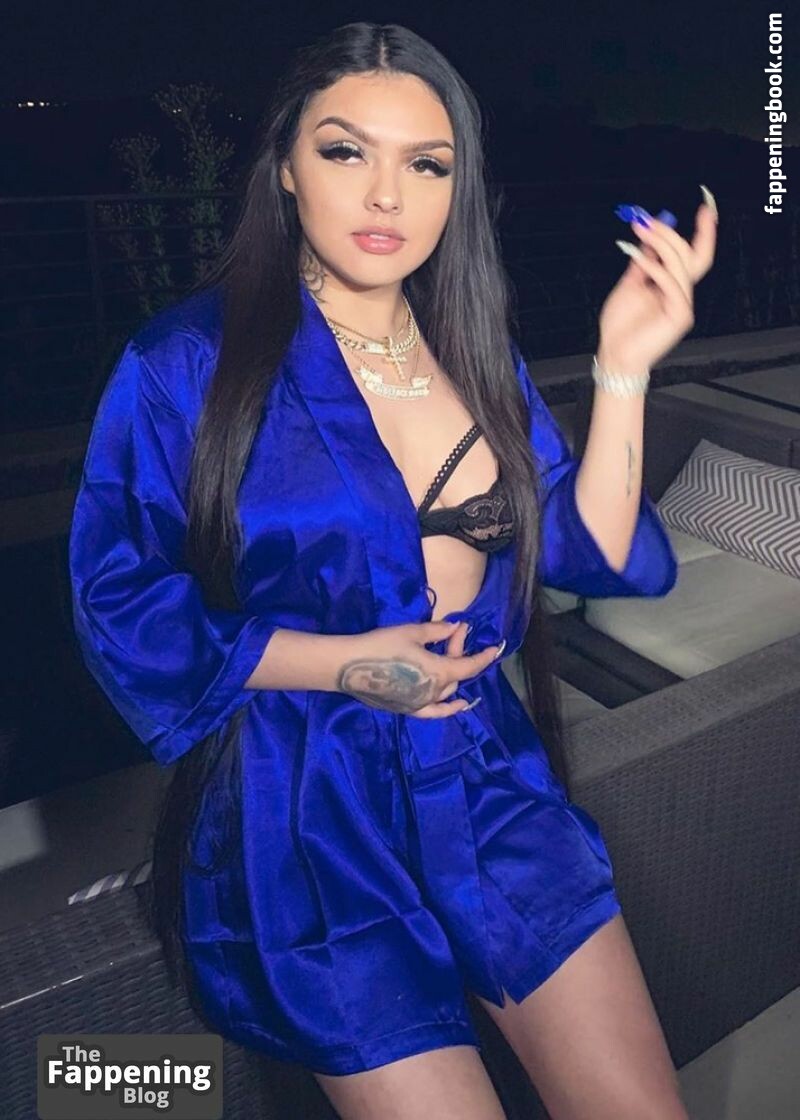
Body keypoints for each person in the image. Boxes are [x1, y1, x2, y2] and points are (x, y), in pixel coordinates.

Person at [69, 21, 716, 1120]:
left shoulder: (473, 347)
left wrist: (622, 368)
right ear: (284, 166)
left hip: (489, 777)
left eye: (426, 165)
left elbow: (591, 549)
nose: (386, 196)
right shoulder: (185, 361)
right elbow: (118, 599)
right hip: (306, 810)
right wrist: (346, 664)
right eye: (344, 151)